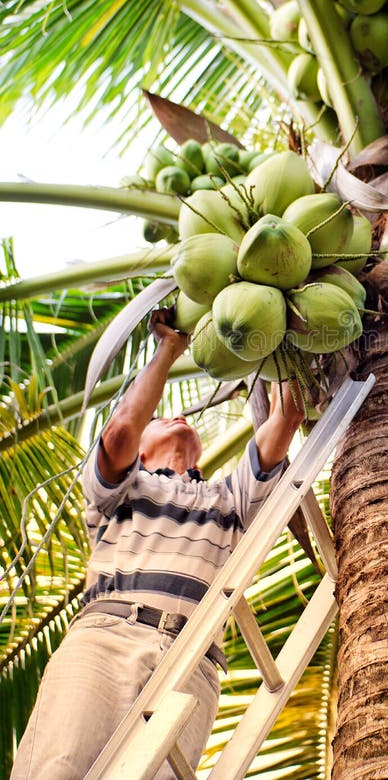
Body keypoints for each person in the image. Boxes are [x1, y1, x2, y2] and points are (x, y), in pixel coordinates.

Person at [11, 307, 306, 780]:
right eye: (161, 415)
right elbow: (122, 428)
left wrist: (283, 326)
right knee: (57, 769)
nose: (178, 413)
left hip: (192, 664)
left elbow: (287, 416)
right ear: (141, 450)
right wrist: (170, 347)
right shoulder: (121, 490)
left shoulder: (228, 499)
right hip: (107, 642)